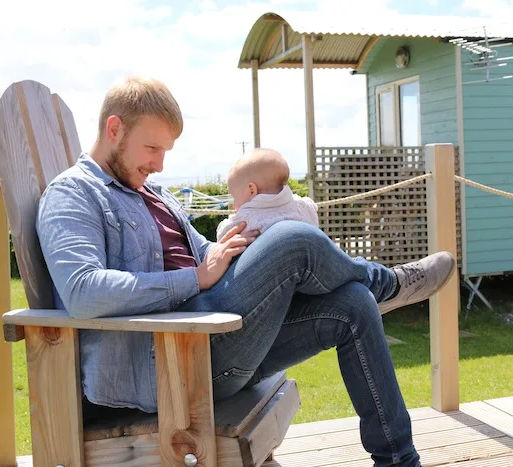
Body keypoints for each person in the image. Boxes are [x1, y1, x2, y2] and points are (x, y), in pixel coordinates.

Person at [35, 76, 456, 467]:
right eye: (152, 148)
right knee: (293, 238)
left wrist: (238, 252)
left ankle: (400, 460)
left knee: (352, 304)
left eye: (165, 152)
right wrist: (197, 278)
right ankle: (389, 283)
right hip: (172, 359)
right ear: (114, 129)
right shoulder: (72, 195)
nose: (160, 164)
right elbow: (82, 291)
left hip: (215, 333)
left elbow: (205, 257)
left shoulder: (153, 195)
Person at [216, 148, 318, 242]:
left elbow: (223, 234)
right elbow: (312, 207)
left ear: (251, 190)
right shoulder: (301, 205)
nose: (234, 204)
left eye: (234, 196)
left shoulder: (246, 217)